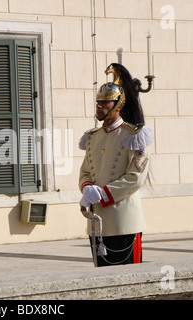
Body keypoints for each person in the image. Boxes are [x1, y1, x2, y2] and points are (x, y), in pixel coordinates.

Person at [79, 63, 153, 267]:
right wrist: (87, 188)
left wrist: (102, 194)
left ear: (119, 105)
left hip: (124, 221)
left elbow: (134, 178)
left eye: (105, 102)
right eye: (98, 102)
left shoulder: (134, 135)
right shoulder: (92, 137)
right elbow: (85, 171)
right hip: (97, 222)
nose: (99, 106)